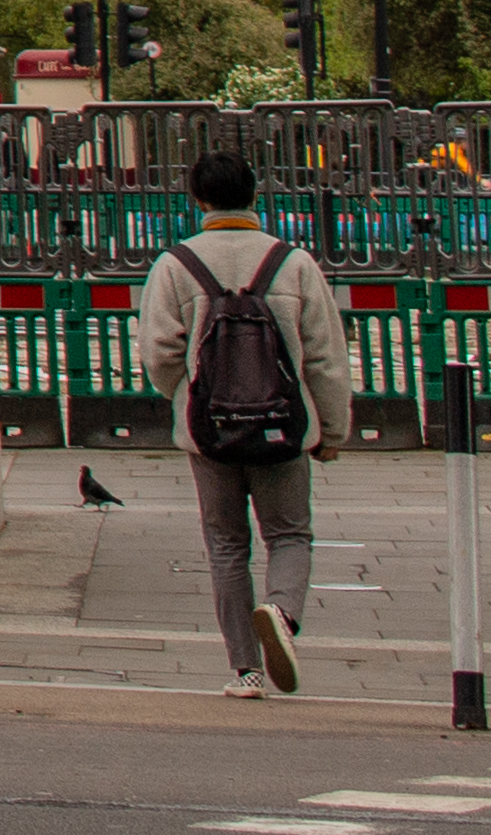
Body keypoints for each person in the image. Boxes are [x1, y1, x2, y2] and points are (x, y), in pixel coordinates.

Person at [136, 144, 353, 696]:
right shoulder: (293, 262)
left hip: (210, 434)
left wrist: (190, 397)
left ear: (198, 199)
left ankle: (246, 670)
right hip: (283, 428)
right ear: (255, 195)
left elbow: (159, 352)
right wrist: (331, 430)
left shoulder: (176, 265)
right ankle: (281, 612)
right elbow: (325, 356)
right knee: (290, 535)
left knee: (227, 546)